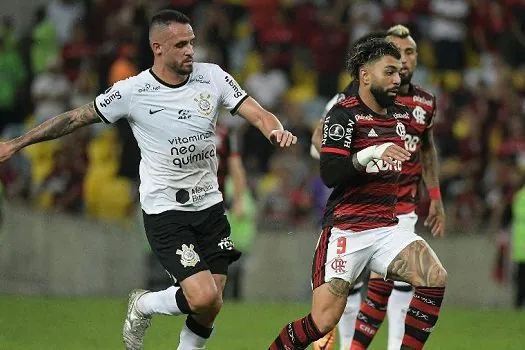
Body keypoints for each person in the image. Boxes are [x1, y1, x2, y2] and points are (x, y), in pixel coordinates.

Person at [0, 10, 297, 350]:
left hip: (211, 206)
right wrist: (16, 143)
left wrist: (276, 130)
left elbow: (258, 113)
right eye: (181, 44)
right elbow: (74, 119)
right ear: (158, 47)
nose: (190, 51)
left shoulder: (212, 77)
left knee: (212, 305)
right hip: (167, 211)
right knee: (201, 297)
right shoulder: (133, 91)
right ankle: (144, 304)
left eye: (192, 43)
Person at [269, 38, 447, 350]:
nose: (397, 78)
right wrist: (371, 153)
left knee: (434, 276)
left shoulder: (401, 116)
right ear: (365, 76)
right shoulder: (344, 114)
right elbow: (330, 173)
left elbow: (426, 149)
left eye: (398, 72)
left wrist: (433, 194)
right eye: (389, 72)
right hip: (346, 230)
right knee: (320, 323)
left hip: (386, 229)